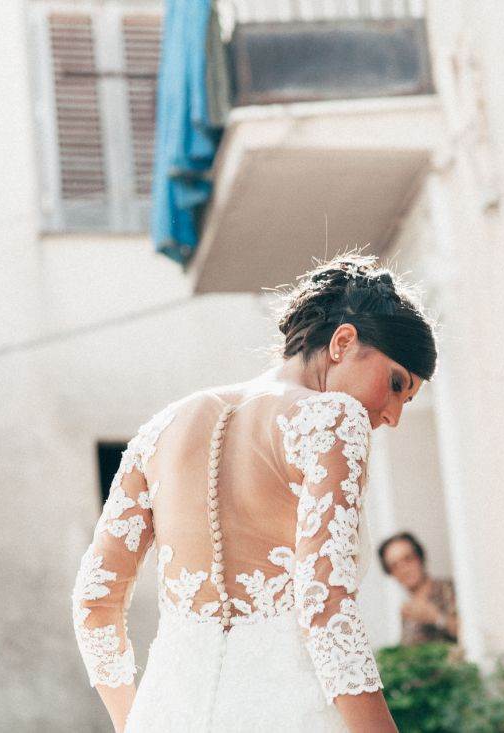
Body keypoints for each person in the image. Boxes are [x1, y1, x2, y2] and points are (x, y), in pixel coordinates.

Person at [71, 254, 437, 732]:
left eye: (406, 401)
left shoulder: (160, 430)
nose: (393, 415)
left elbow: (94, 603)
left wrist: (133, 723)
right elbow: (325, 605)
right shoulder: (332, 418)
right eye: (395, 384)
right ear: (343, 342)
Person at [378, 532, 459, 645]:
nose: (404, 570)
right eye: (394, 566)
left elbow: (473, 631)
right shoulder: (408, 610)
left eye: (408, 559)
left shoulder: (450, 590)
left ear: (420, 557)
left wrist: (437, 618)